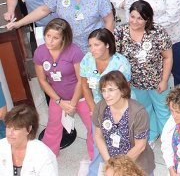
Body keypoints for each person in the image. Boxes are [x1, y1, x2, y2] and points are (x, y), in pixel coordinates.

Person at [33, 18, 93, 159]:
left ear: (64, 39)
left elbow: (81, 80)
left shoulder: (74, 51)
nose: (49, 41)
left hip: (81, 96)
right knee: (53, 126)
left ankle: (95, 156)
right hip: (57, 97)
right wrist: (59, 101)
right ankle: (49, 155)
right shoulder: (40, 52)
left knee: (93, 126)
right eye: (48, 35)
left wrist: (72, 104)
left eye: (55, 38)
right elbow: (42, 81)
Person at [114, 0, 173, 143]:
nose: (135, 21)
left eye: (140, 18)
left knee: (163, 110)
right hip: (134, 83)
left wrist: (164, 80)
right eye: (132, 16)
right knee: (144, 110)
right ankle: (151, 135)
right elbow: (115, 58)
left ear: (147, 19)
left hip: (157, 81)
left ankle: (168, 141)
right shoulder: (120, 32)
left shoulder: (157, 32)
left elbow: (168, 57)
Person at [91, 71, 154, 175]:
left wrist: (119, 168)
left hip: (135, 163)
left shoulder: (139, 113)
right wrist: (109, 163)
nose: (106, 95)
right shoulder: (100, 107)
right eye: (103, 90)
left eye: (110, 90)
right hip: (112, 162)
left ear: (122, 90)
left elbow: (140, 146)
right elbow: (98, 136)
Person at [0, 105, 58, 175]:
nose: (10, 133)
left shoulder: (42, 153)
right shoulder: (1, 145)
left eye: (16, 129)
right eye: (8, 127)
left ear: (29, 129)